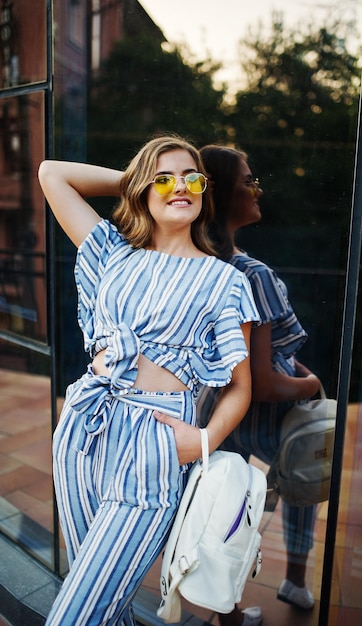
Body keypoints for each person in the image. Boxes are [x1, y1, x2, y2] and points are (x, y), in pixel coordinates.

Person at [37, 135, 261, 626]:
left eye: (191, 178)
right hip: (83, 429)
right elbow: (52, 173)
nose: (179, 187)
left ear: (205, 191)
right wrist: (142, 184)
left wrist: (204, 440)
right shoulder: (112, 253)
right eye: (164, 178)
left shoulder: (227, 282)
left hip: (154, 440)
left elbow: (240, 386)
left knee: (77, 614)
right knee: (102, 603)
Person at [198, 145, 322, 625]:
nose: (257, 187)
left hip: (218, 409)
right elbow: (267, 382)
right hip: (266, 414)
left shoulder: (197, 265)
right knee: (307, 477)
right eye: (248, 180)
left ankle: (225, 608)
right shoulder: (254, 275)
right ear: (224, 193)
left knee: (227, 504)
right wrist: (310, 386)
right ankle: (294, 579)